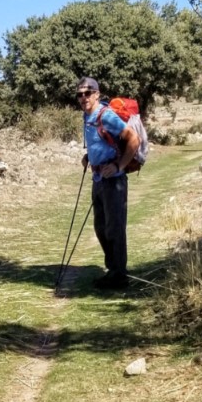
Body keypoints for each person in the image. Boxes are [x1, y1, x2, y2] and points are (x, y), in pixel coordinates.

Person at [77, 77, 134, 290]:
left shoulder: (106, 115)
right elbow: (100, 142)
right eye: (79, 94)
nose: (83, 97)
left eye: (87, 93)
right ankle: (113, 270)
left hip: (114, 180)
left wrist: (119, 166)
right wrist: (89, 157)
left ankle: (119, 275)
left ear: (97, 94)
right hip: (98, 178)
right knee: (101, 227)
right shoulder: (87, 116)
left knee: (114, 228)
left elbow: (133, 139)